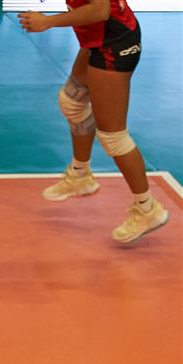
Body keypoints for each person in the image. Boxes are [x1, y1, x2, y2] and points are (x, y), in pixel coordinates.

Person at [18, 0, 169, 245]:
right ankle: (80, 177)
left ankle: (147, 209)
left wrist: (48, 22)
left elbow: (100, 10)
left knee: (113, 137)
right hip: (96, 40)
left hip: (114, 45)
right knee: (72, 101)